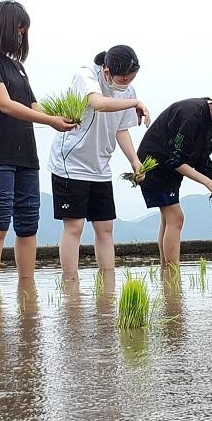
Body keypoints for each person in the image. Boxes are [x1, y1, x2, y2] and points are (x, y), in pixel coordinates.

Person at [0, 0, 77, 286]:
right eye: (19, 29)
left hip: (26, 156)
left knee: (28, 226)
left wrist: (59, 116)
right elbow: (5, 105)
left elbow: (32, 104)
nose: (22, 36)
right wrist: (49, 121)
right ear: (5, 26)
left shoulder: (17, 67)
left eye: (24, 31)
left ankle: (26, 288)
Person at [47, 45, 150, 280]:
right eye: (123, 78)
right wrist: (134, 103)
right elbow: (97, 103)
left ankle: (108, 284)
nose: (125, 83)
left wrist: (135, 160)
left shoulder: (128, 91)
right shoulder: (86, 76)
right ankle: (71, 285)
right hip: (70, 164)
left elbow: (120, 129)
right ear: (107, 72)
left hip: (100, 167)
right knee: (74, 228)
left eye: (130, 79)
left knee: (105, 228)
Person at [137, 87, 212, 268]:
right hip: (154, 165)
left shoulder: (211, 119)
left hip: (168, 168)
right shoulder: (192, 116)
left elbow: (201, 158)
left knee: (168, 219)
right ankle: (172, 273)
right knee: (176, 217)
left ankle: (166, 272)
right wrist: (208, 183)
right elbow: (176, 159)